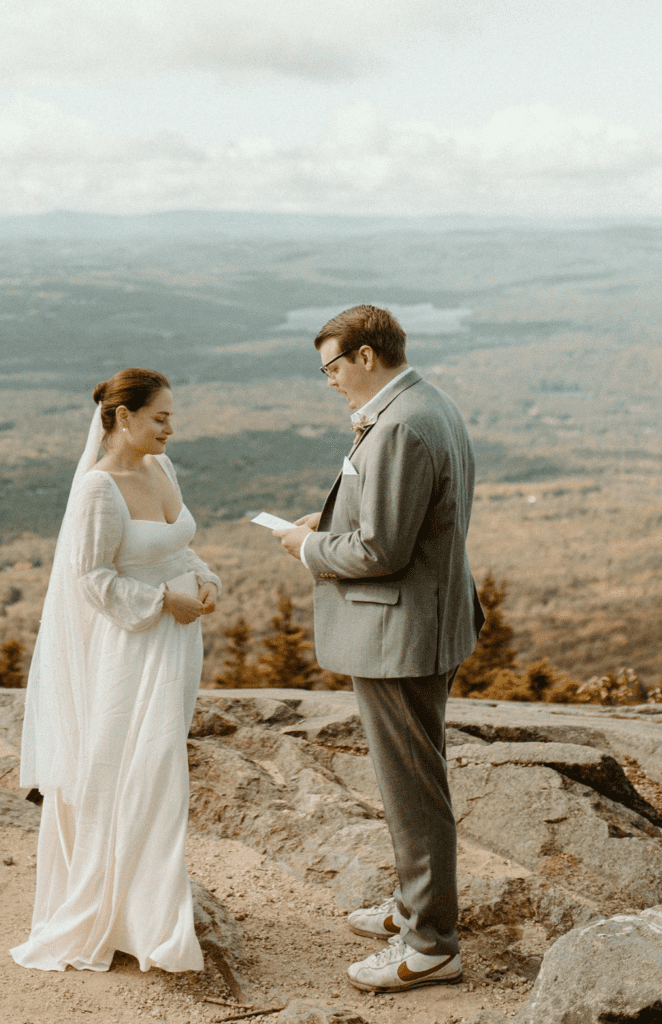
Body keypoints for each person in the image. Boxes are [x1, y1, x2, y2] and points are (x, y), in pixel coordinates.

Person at [272, 305, 484, 994]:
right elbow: (402, 519)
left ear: (367, 357)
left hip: (400, 632)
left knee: (412, 789)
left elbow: (382, 550)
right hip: (429, 617)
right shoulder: (429, 402)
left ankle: (430, 947)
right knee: (416, 778)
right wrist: (329, 518)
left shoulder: (398, 425)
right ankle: (412, 909)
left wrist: (308, 547)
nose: (329, 381)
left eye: (332, 367)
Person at [10, 368, 220, 974]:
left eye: (171, 417)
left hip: (178, 644)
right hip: (130, 652)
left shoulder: (162, 469)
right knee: (138, 773)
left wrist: (202, 578)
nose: (171, 429)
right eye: (160, 418)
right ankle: (139, 922)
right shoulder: (98, 490)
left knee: (160, 769)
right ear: (124, 417)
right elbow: (92, 579)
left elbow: (175, 545)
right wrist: (159, 604)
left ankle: (144, 910)